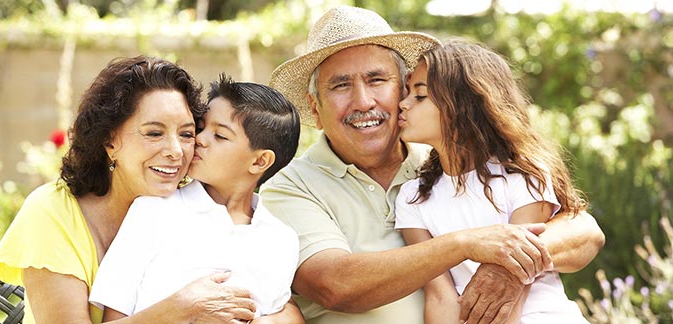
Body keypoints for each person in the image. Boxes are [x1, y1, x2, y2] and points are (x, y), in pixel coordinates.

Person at [260, 5, 606, 324]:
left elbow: (585, 232)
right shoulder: (289, 187)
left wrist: (507, 264)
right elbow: (334, 284)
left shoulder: (446, 159)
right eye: (340, 86)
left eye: (377, 80)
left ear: (402, 89)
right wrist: (466, 245)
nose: (363, 101)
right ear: (315, 108)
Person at [0, 56, 299, 324]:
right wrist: (181, 308)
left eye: (188, 132)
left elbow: (283, 306)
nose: (177, 150)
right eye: (154, 132)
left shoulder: (251, 225)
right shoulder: (53, 212)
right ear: (110, 141)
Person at [395, 38, 588, 323]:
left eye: (420, 96)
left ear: (462, 107)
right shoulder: (413, 197)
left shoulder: (522, 177)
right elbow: (439, 296)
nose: (403, 103)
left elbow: (513, 291)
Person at [88, 74, 302, 323]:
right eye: (201, 128)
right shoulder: (152, 212)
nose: (198, 139)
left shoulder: (281, 240)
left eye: (220, 135)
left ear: (259, 161)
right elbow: (113, 320)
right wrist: (182, 309)